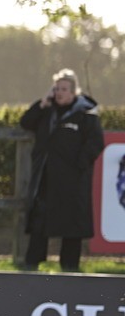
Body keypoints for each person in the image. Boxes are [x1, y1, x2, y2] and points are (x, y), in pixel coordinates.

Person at [19, 68, 104, 272]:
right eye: (56, 89)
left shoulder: (86, 115)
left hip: (73, 180)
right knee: (40, 220)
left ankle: (69, 267)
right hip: (47, 177)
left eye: (64, 89)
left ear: (74, 91)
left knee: (71, 225)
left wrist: (80, 163)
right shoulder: (46, 111)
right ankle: (32, 263)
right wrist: (42, 104)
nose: (59, 93)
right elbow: (25, 122)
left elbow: (96, 142)